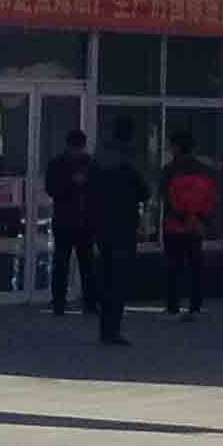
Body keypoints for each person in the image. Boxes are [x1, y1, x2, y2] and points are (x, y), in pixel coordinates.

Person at [90, 117, 152, 346]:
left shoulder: (98, 160)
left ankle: (104, 329)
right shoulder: (130, 162)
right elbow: (145, 192)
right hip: (124, 226)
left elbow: (90, 189)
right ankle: (113, 330)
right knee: (118, 279)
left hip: (101, 225)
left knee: (106, 275)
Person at [160, 136, 219, 320]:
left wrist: (184, 216)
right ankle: (195, 306)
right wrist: (200, 220)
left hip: (174, 226)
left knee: (173, 267)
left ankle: (173, 307)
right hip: (196, 227)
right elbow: (211, 198)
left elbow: (167, 198)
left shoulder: (169, 170)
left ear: (176, 147)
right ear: (193, 148)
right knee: (195, 267)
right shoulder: (206, 171)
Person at [44, 126, 96, 317]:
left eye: (80, 148)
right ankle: (59, 303)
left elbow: (97, 188)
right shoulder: (57, 164)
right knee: (61, 263)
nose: (78, 152)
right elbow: (51, 188)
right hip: (65, 220)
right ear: (69, 147)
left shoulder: (90, 163)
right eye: (76, 148)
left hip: (84, 221)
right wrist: (71, 182)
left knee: (87, 264)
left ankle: (89, 303)